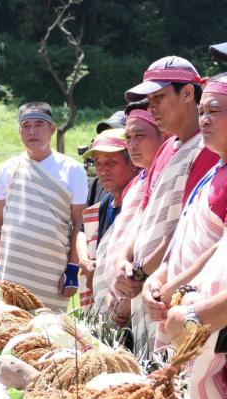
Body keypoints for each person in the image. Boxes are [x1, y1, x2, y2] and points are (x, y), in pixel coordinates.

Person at [116, 56, 219, 356]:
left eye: (159, 97)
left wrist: (140, 274)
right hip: (146, 284)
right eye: (148, 100)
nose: (151, 108)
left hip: (173, 290)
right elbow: (145, 214)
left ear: (188, 94)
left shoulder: (208, 151)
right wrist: (126, 260)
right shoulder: (166, 148)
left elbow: (183, 228)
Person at [143, 73, 227, 349]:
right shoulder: (213, 174)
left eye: (214, 111)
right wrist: (157, 279)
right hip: (182, 311)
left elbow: (217, 251)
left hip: (206, 318)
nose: (204, 119)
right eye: (202, 112)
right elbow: (181, 240)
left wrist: (172, 290)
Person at [0, 102, 88, 311]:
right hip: (13, 269)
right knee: (10, 331)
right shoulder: (8, 168)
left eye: (39, 124)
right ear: (19, 130)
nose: (32, 131)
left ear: (52, 129)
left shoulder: (72, 170)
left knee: (51, 334)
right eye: (26, 125)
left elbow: (79, 223)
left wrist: (72, 269)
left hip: (53, 271)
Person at [95, 104, 164, 322]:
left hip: (144, 294)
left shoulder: (161, 175)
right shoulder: (139, 182)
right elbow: (131, 233)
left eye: (140, 136)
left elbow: (168, 235)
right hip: (120, 295)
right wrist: (120, 265)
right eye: (129, 137)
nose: (132, 145)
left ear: (163, 136)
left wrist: (134, 278)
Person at [77, 129, 138, 309]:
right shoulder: (106, 204)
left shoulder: (138, 203)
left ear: (133, 163)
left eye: (111, 162)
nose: (103, 170)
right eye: (98, 163)